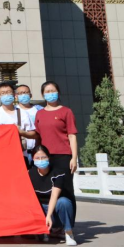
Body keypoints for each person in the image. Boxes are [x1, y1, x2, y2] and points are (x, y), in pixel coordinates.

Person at [35, 81, 78, 227]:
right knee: (48, 191)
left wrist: (74, 157)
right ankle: (52, 224)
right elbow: (38, 137)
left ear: (58, 92)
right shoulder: (39, 113)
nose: (50, 93)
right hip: (45, 158)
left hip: (63, 156)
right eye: (47, 91)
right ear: (42, 95)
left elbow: (72, 135)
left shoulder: (66, 111)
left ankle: (68, 227)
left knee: (66, 191)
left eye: (53, 90)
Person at [28, 145, 77, 246]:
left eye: (43, 157)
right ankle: (41, 230)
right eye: (37, 158)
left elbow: (54, 196)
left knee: (64, 202)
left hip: (54, 211)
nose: (40, 160)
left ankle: (68, 233)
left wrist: (49, 215)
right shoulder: (30, 174)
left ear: (49, 158)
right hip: (39, 211)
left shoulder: (58, 173)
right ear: (33, 159)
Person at [0, 82, 37, 163]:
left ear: (14, 95)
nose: (6, 95)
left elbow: (33, 134)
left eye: (8, 92)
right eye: (3, 93)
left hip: (20, 155)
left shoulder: (22, 113)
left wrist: (21, 132)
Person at [16, 83, 43, 154]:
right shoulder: (14, 110)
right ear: (16, 96)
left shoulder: (39, 109)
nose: (23, 95)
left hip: (39, 149)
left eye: (26, 92)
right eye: (20, 93)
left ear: (30, 95)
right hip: (22, 149)